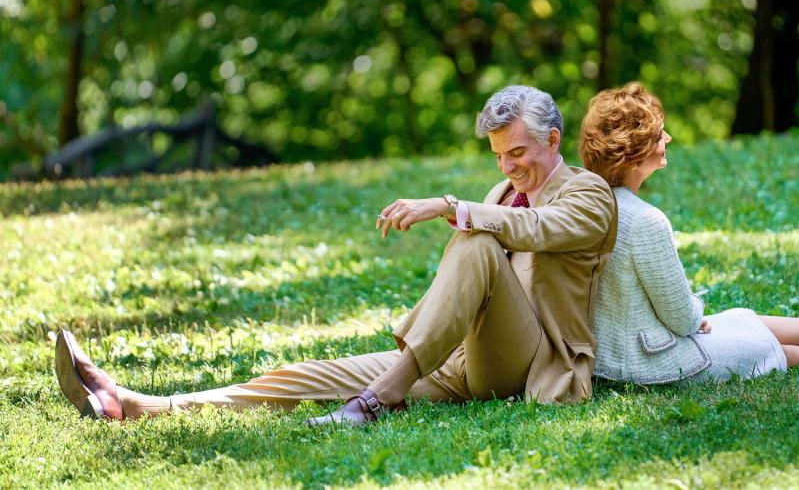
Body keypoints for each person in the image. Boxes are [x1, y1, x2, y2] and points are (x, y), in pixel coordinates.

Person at [55, 85, 617, 425]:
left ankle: (381, 399)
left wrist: (450, 205)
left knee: (474, 239)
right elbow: (496, 239)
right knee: (310, 376)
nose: (507, 167)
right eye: (497, 156)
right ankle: (135, 404)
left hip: (527, 364)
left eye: (517, 152)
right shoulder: (500, 194)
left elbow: (540, 229)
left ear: (554, 139)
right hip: (456, 362)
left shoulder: (586, 192)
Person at [577, 82, 799, 384]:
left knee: (741, 319)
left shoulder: (590, 206)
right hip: (650, 364)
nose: (667, 139)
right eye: (658, 135)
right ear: (634, 155)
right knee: (753, 342)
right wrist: (696, 312)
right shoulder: (646, 221)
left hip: (614, 356)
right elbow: (682, 319)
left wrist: (695, 318)